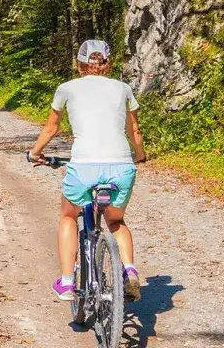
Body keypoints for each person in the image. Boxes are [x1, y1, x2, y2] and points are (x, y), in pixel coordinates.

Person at [27, 39, 147, 302]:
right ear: (107, 63)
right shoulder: (123, 89)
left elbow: (51, 128)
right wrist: (139, 155)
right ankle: (129, 270)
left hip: (84, 166)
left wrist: (35, 153)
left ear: (80, 63)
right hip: (120, 167)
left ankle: (67, 282)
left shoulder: (67, 88)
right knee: (116, 221)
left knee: (69, 216)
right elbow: (135, 130)